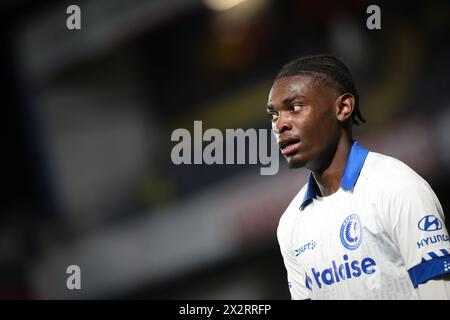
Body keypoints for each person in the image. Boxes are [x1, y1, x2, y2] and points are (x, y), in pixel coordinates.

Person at [267, 54, 450, 299]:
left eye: (295, 108)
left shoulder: (398, 187)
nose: (280, 125)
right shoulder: (290, 225)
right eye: (273, 115)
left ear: (343, 107)